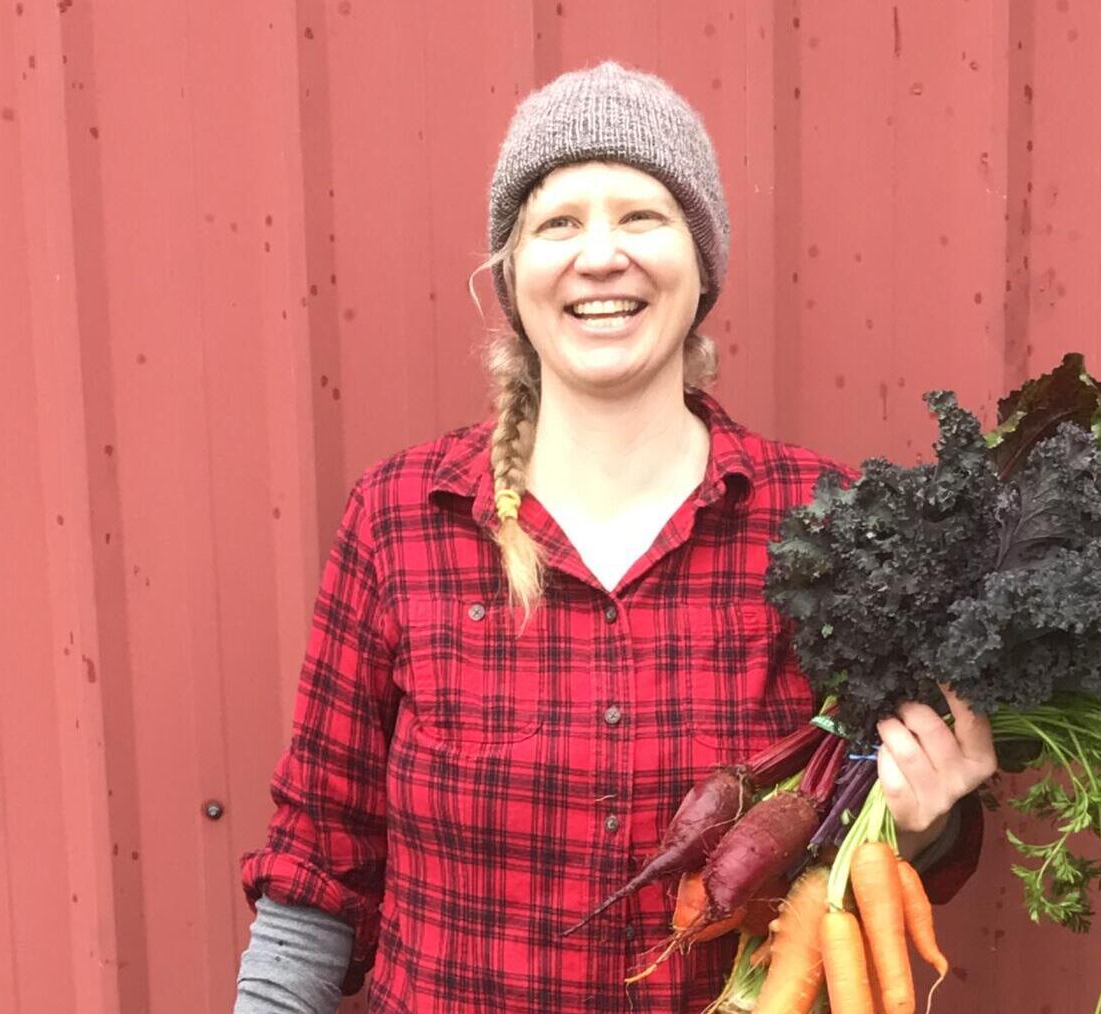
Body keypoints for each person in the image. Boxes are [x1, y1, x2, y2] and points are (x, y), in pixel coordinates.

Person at [235, 61, 997, 1014]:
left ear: (700, 261)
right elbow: (319, 860)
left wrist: (928, 817)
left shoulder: (826, 521)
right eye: (559, 223)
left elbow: (871, 825)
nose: (601, 257)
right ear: (512, 271)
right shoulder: (402, 516)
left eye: (642, 217)